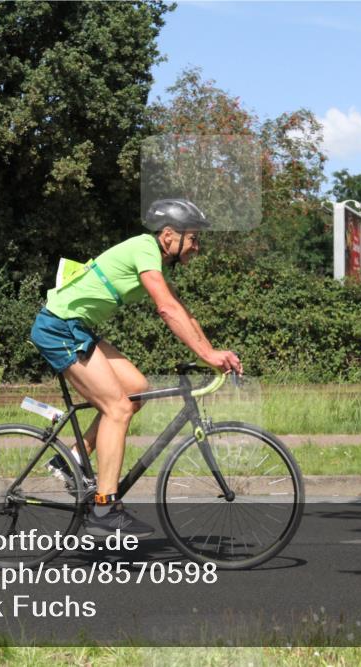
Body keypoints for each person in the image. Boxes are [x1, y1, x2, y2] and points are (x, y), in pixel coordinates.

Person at [29, 199, 243, 537]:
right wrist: (207, 354)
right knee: (117, 408)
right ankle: (104, 508)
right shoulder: (145, 248)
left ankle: (72, 458)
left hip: (75, 327)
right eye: (193, 239)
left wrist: (212, 353)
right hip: (59, 327)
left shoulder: (157, 261)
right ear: (169, 235)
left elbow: (182, 312)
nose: (197, 247)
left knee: (135, 390)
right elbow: (166, 309)